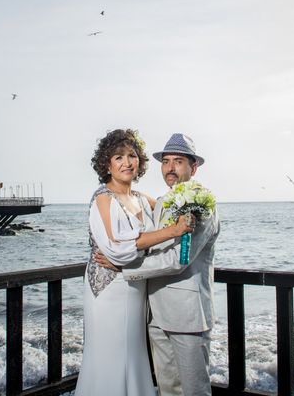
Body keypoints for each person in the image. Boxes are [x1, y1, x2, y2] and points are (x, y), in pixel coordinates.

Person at [75, 129, 195, 396]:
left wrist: (193, 199)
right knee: (110, 355)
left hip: (137, 286)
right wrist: (173, 231)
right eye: (118, 157)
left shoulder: (144, 199)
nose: (127, 163)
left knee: (134, 353)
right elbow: (118, 249)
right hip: (107, 289)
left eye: (132, 156)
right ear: (107, 163)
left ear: (140, 162)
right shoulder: (103, 198)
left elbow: (172, 207)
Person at [98, 133, 220, 396]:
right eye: (166, 162)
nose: (170, 168)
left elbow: (179, 259)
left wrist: (121, 267)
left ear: (193, 167)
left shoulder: (202, 204)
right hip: (157, 314)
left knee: (194, 391)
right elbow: (149, 241)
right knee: (167, 390)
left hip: (187, 317)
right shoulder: (162, 202)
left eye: (178, 161)